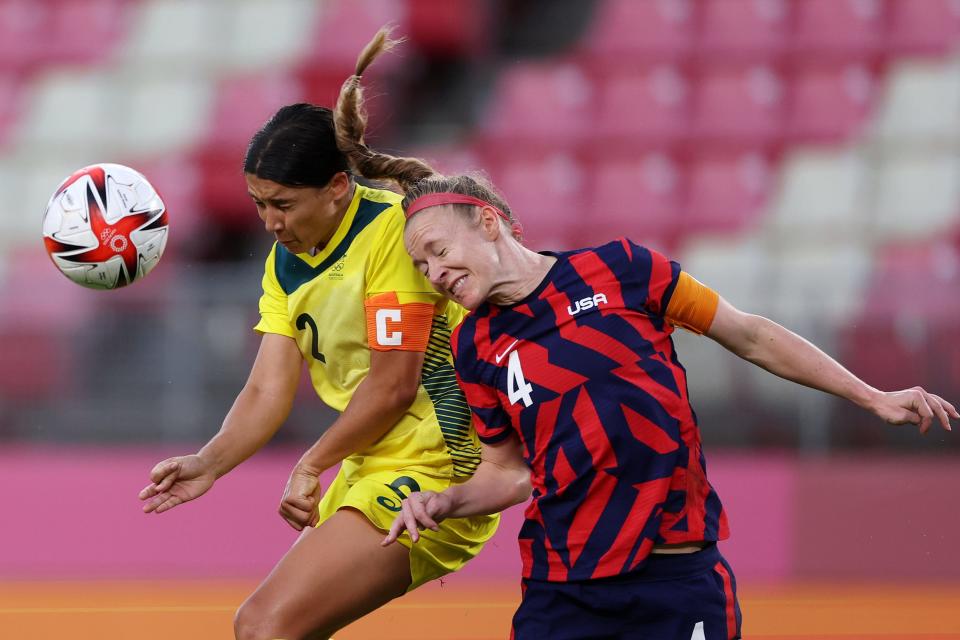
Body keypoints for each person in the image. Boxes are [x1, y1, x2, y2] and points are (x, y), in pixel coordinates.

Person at [331, 44, 959, 640]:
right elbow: (507, 473)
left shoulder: (624, 269)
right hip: (564, 586)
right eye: (422, 269)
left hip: (676, 576)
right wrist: (444, 501)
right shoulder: (476, 349)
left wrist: (870, 394)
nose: (434, 274)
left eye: (438, 252)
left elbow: (749, 335)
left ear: (488, 222)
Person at [137, 28, 498, 640]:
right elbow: (266, 390)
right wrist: (210, 462)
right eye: (258, 204)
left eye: (283, 203)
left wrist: (310, 463)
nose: (270, 222)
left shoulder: (392, 236)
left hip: (439, 468)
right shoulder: (285, 260)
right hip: (370, 466)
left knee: (265, 626)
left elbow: (391, 385)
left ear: (336, 187)